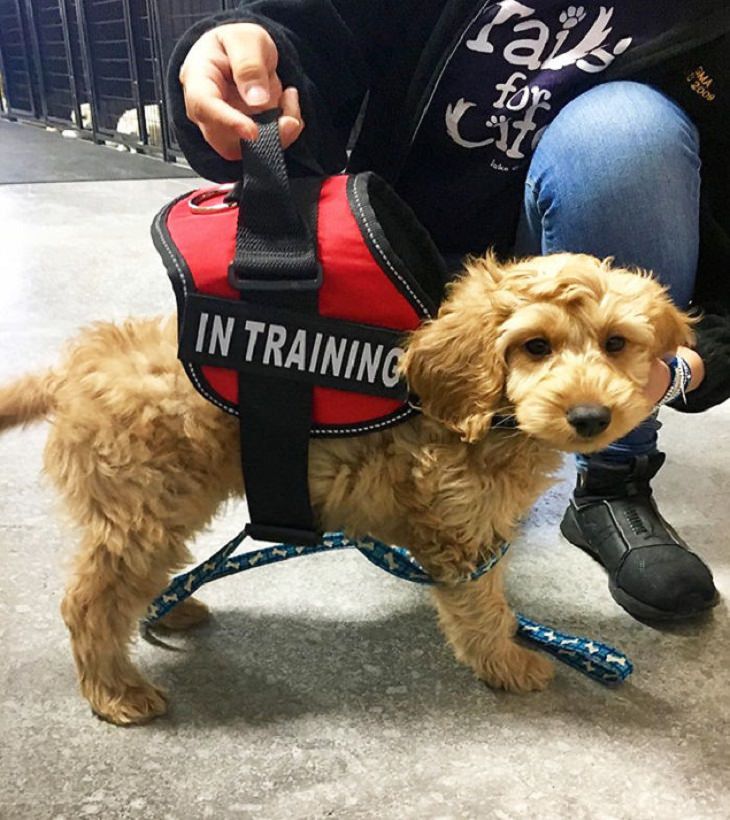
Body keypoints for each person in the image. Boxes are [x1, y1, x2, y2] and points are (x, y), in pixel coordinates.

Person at [167, 1, 730, 621]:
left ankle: (613, 478)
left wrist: (686, 365)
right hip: (402, 254)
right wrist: (238, 47)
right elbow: (317, 30)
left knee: (623, 130)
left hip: (592, 260)